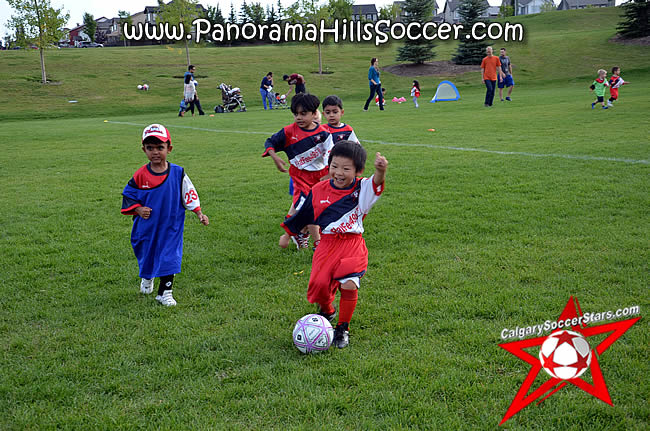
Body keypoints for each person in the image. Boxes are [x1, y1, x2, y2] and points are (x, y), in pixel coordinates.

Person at [281, 141, 388, 349]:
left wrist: (380, 171)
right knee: (319, 286)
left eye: (346, 169)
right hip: (326, 244)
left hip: (351, 243)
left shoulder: (361, 188)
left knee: (349, 283)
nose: (339, 173)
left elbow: (376, 184)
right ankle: (328, 310)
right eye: (334, 166)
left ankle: (342, 328)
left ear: (358, 171)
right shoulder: (319, 189)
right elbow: (305, 214)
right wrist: (288, 233)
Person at [121, 124, 209, 306]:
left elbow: (189, 194)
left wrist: (199, 212)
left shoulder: (178, 173)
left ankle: (165, 292)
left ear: (169, 149)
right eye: (150, 148)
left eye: (160, 147)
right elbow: (128, 195)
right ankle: (147, 277)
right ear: (143, 149)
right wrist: (138, 209)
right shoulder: (140, 175)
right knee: (147, 254)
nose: (155, 152)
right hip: (147, 228)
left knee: (169, 256)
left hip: (171, 226)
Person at [262, 93, 333, 250]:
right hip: (300, 177)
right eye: (295, 114)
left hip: (320, 177)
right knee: (309, 206)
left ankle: (297, 234)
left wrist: (329, 174)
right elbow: (270, 142)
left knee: (309, 207)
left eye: (303, 114)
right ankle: (317, 243)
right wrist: (275, 157)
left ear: (314, 114)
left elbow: (331, 156)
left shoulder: (324, 135)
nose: (298, 118)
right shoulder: (288, 132)